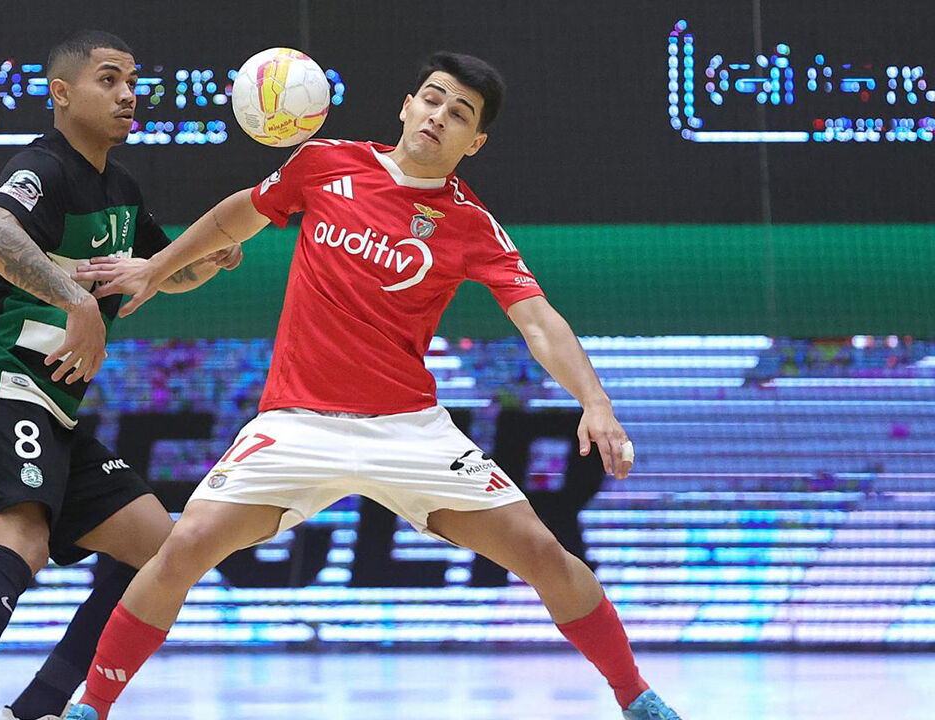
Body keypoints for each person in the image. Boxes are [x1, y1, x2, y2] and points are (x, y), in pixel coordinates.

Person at [65, 52, 684, 720]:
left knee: (542, 553)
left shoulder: (470, 224)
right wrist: (155, 268)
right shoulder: (324, 163)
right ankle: (90, 707)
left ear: (474, 142)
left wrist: (595, 401)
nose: (439, 116)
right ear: (407, 106)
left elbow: (538, 321)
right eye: (432, 99)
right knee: (183, 548)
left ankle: (637, 697)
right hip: (296, 424)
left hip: (409, 431)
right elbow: (240, 214)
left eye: (459, 113)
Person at [0, 30, 243, 720]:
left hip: (55, 412)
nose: (127, 95)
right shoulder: (42, 166)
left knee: (159, 551)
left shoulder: (121, 187)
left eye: (132, 83)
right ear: (61, 94)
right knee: (21, 542)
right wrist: (78, 300)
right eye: (109, 80)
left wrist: (210, 258)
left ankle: (39, 708)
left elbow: (158, 275)